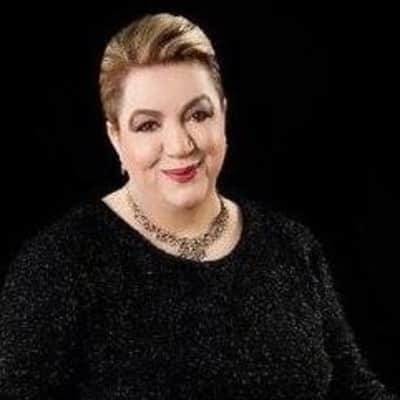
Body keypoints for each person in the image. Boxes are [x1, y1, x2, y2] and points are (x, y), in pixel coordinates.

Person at [0, 12, 398, 400]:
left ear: (223, 114)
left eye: (197, 114)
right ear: (116, 137)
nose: (180, 146)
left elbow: (352, 384)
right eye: (148, 124)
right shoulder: (57, 266)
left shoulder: (292, 246)